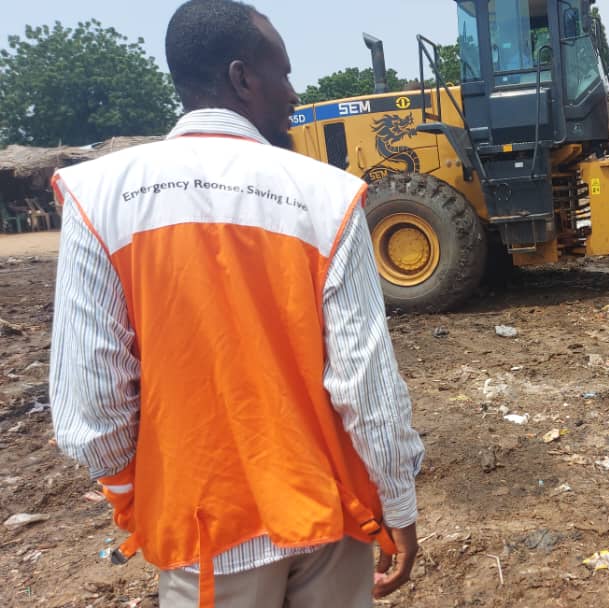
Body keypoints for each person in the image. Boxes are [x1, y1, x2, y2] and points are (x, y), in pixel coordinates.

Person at [48, 1, 424, 606]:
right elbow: (366, 385)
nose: (294, 94)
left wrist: (137, 494)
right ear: (243, 78)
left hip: (205, 536)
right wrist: (399, 505)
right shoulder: (326, 197)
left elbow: (92, 410)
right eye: (284, 73)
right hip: (327, 518)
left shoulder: (101, 199)